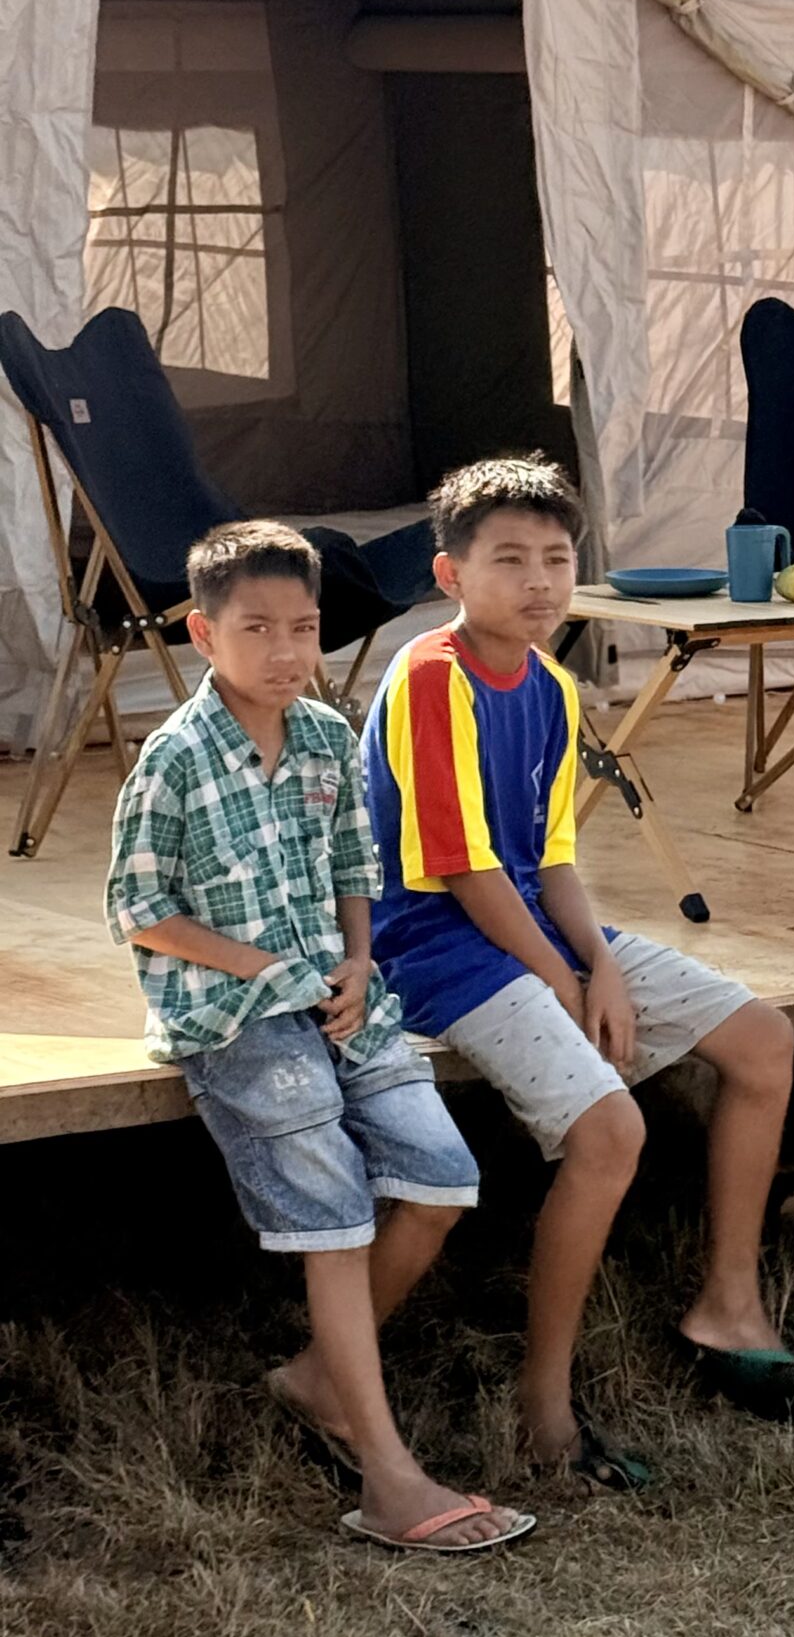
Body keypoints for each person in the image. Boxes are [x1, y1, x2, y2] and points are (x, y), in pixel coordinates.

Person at [360, 454, 794, 1489]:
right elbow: (467, 871)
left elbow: (551, 861)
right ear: (450, 574)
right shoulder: (430, 676)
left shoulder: (552, 685)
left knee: (763, 1040)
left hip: (529, 923)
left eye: (556, 558)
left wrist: (601, 967)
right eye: (509, 560)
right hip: (432, 945)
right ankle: (545, 1406)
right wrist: (569, 982)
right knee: (610, 1130)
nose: (538, 581)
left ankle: (728, 1305)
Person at [105, 521, 530, 1555]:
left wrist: (357, 961)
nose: (287, 650)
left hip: (340, 996)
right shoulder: (173, 758)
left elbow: (354, 866)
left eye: (303, 627)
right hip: (234, 1014)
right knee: (335, 1214)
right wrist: (268, 972)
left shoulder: (331, 735)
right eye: (257, 629)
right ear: (205, 634)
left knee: (442, 1180)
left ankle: (317, 1379)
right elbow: (140, 909)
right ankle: (387, 1473)